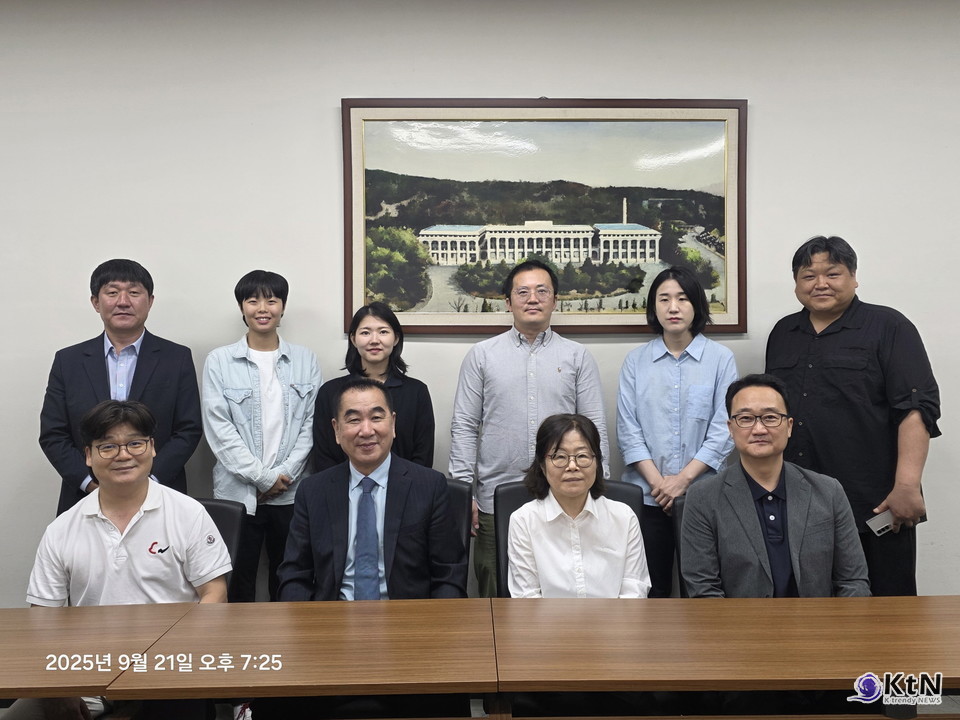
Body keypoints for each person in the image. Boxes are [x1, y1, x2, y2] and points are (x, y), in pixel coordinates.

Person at [14, 400, 230, 720]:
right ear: (88, 455)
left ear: (152, 448)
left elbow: (215, 595)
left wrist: (179, 658)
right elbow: (43, 619)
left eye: (134, 443)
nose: (123, 454)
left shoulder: (188, 514)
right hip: (88, 672)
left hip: (169, 669)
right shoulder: (62, 529)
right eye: (108, 446)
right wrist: (60, 686)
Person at [765, 236, 940, 596]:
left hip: (876, 503)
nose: (820, 283)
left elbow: (915, 410)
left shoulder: (889, 327)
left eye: (832, 273)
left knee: (887, 609)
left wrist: (906, 486)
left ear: (854, 277)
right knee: (807, 607)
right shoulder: (783, 333)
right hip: (799, 505)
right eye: (808, 275)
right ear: (796, 282)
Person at [450, 259, 608, 598]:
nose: (532, 298)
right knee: (495, 595)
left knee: (565, 589)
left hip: (565, 498)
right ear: (508, 302)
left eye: (542, 291)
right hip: (494, 496)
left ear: (555, 300)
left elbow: (595, 431)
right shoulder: (482, 356)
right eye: (522, 292)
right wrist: (464, 493)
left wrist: (598, 491)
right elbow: (464, 426)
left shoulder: (578, 357)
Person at [681, 374, 870, 599]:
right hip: (739, 631)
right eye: (746, 418)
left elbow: (853, 582)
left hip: (818, 629)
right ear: (730, 429)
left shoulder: (829, 492)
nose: (759, 429)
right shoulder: (703, 497)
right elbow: (704, 591)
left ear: (789, 426)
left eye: (770, 417)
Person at [278, 377, 467, 601]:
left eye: (376, 418)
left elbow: (449, 575)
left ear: (393, 424)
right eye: (354, 420)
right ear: (336, 430)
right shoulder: (313, 491)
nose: (366, 431)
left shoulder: (429, 486)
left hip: (407, 621)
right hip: (332, 619)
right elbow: (294, 574)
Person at [39, 259, 202, 515]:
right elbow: (53, 433)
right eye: (112, 292)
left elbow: (188, 430)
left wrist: (148, 482)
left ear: (150, 301)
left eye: (134, 292)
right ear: (96, 302)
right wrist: (91, 484)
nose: (123, 301)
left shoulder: (177, 358)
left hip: (160, 495)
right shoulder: (68, 361)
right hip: (84, 497)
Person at [616, 266, 737, 597]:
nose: (673, 307)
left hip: (704, 495)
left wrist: (682, 481)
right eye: (664, 299)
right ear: (653, 307)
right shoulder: (636, 361)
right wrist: (660, 486)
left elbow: (724, 429)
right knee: (647, 590)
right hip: (647, 498)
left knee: (702, 589)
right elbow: (628, 430)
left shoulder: (721, 359)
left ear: (696, 304)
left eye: (682, 298)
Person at [202, 270, 321, 602]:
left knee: (290, 577)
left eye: (272, 299)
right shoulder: (219, 361)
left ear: (283, 306)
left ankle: (289, 650)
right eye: (253, 300)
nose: (262, 307)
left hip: (292, 491)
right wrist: (262, 477)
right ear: (242, 307)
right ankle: (243, 651)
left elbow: (312, 425)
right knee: (237, 579)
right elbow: (219, 429)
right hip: (238, 492)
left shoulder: (305, 359)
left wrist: (282, 477)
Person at [508, 414, 650, 599]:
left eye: (582, 456)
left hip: (614, 625)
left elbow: (634, 592)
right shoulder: (524, 520)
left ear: (597, 462)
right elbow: (526, 597)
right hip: (546, 626)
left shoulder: (623, 517)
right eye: (560, 457)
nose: (572, 466)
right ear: (542, 465)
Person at [313, 302, 434, 470]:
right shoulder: (330, 392)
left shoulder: (416, 391)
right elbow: (323, 455)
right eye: (365, 333)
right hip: (341, 490)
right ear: (353, 339)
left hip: (406, 490)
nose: (374, 340)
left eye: (383, 332)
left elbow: (423, 454)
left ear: (396, 338)